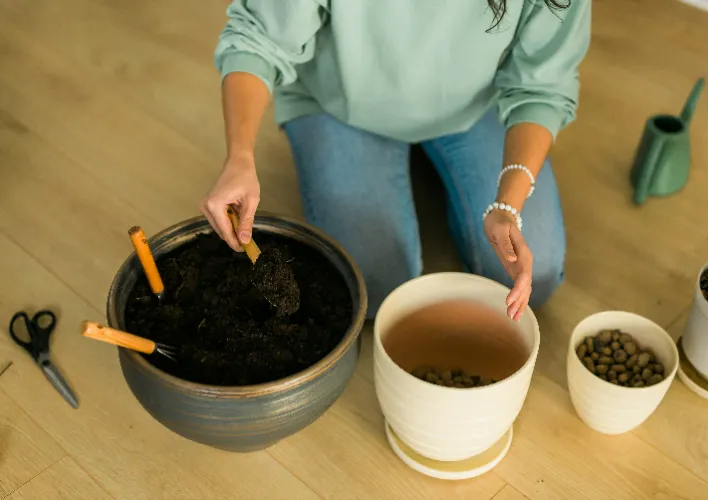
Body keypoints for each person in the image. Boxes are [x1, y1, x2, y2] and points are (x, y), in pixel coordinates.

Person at [201, 0, 591, 322]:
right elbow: (258, 37)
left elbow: (543, 85)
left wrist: (508, 205)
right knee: (374, 287)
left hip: (477, 104)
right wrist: (239, 155)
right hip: (340, 102)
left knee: (533, 278)